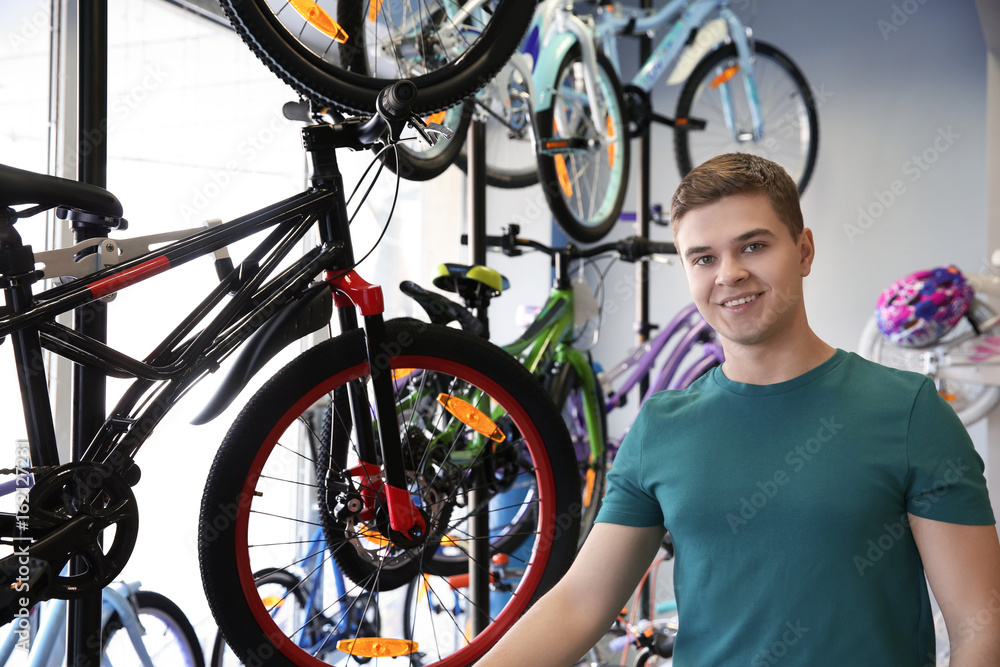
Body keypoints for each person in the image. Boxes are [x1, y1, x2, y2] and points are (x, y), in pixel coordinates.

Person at [478, 153, 1000, 666]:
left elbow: (981, 622)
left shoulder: (909, 412)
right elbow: (578, 607)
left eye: (752, 246)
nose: (728, 274)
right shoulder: (661, 428)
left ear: (804, 251)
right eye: (703, 258)